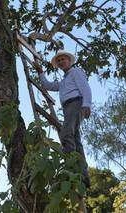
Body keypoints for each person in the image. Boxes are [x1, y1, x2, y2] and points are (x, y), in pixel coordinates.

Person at [35, 50, 92, 188]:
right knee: (75, 140)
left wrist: (86, 105)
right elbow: (48, 85)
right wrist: (41, 72)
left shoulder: (76, 72)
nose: (61, 62)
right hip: (67, 108)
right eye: (58, 60)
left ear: (69, 60)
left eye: (63, 59)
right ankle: (83, 175)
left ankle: (71, 166)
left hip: (76, 103)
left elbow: (85, 88)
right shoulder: (63, 81)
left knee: (66, 134)